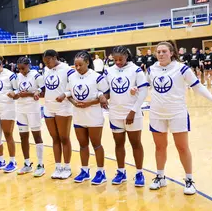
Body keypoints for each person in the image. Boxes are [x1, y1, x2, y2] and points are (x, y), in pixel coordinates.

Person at [147, 41, 212, 195]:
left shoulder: (182, 69)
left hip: (177, 113)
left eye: (164, 51)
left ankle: (189, 180)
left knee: (182, 147)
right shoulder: (151, 69)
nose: (161, 54)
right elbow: (144, 86)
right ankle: (160, 176)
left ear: (171, 53)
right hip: (157, 113)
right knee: (159, 147)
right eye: (158, 52)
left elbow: (197, 86)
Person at [59, 51, 109, 185]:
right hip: (78, 115)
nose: (78, 67)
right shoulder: (72, 77)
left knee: (96, 144)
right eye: (75, 65)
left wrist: (91, 102)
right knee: (82, 145)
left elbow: (106, 94)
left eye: (80, 65)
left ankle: (100, 171)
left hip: (93, 115)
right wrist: (73, 102)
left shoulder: (97, 77)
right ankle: (85, 170)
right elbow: (69, 92)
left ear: (87, 63)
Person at [104, 46, 148, 187]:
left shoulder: (136, 70)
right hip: (115, 113)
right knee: (118, 144)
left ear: (126, 57)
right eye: (115, 59)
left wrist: (133, 111)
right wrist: (101, 97)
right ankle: (121, 172)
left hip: (132, 113)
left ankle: (139, 173)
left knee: (136, 143)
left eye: (120, 59)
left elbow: (143, 92)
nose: (117, 62)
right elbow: (105, 90)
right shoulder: (108, 71)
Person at [42, 50, 74, 179]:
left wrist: (65, 94)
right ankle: (58, 166)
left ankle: (67, 167)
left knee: (64, 138)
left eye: (48, 61)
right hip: (49, 107)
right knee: (54, 138)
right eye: (44, 62)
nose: (47, 64)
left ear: (55, 58)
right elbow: (46, 87)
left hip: (63, 107)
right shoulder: (46, 70)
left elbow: (74, 87)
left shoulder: (67, 69)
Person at [14, 57, 46, 176]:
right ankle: (27, 164)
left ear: (29, 65)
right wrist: (15, 95)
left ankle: (41, 164)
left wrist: (30, 93)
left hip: (33, 109)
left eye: (23, 68)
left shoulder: (37, 76)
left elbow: (43, 91)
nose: (21, 71)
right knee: (23, 137)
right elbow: (17, 91)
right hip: (20, 108)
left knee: (37, 136)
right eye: (19, 69)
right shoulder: (18, 77)